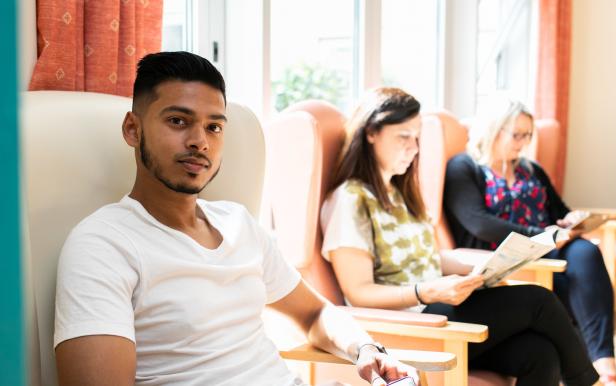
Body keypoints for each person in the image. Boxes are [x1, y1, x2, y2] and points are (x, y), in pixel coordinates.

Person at [54, 51, 417, 386]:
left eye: (214, 127)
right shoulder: (103, 245)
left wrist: (367, 350)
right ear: (133, 129)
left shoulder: (237, 222)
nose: (200, 141)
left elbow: (315, 314)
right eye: (178, 121)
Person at [320, 87, 600, 386]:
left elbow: (427, 258)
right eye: (403, 137)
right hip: (407, 323)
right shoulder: (351, 199)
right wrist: (427, 292)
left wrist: (488, 267)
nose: (413, 148)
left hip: (433, 309)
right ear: (371, 133)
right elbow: (359, 292)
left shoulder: (398, 192)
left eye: (417, 138)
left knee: (540, 354)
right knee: (538, 300)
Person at [443, 97, 616, 386]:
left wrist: (571, 220)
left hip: (549, 250)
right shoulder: (464, 167)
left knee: (586, 253)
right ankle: (591, 377)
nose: (523, 142)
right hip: (504, 256)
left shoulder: (531, 169)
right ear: (493, 129)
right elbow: (478, 222)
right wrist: (542, 238)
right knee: (557, 298)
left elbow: (559, 212)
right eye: (517, 134)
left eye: (528, 135)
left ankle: (606, 365)